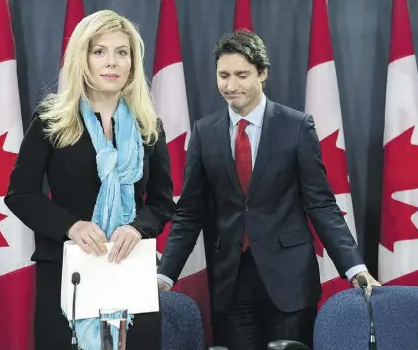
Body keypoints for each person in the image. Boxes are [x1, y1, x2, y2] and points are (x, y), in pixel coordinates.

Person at [156, 30, 381, 350]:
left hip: (289, 282)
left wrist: (354, 267)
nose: (231, 86)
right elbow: (189, 213)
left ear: (263, 74)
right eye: (223, 75)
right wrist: (164, 276)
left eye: (241, 75)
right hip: (230, 283)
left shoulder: (296, 126)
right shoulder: (204, 132)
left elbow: (321, 205)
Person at [5, 10, 174, 350]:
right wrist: (72, 226)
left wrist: (138, 227)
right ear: (83, 58)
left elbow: (162, 202)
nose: (112, 62)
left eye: (121, 52)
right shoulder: (52, 120)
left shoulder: (148, 126)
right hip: (68, 270)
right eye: (100, 51)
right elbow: (20, 194)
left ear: (132, 62)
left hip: (130, 267)